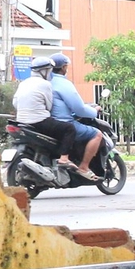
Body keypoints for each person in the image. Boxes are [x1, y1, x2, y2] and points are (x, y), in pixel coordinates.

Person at [47, 52, 105, 180]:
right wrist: (94, 111)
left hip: (47, 122)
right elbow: (79, 108)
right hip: (63, 123)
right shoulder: (63, 84)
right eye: (66, 66)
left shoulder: (46, 82)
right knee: (97, 134)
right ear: (63, 67)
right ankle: (84, 167)